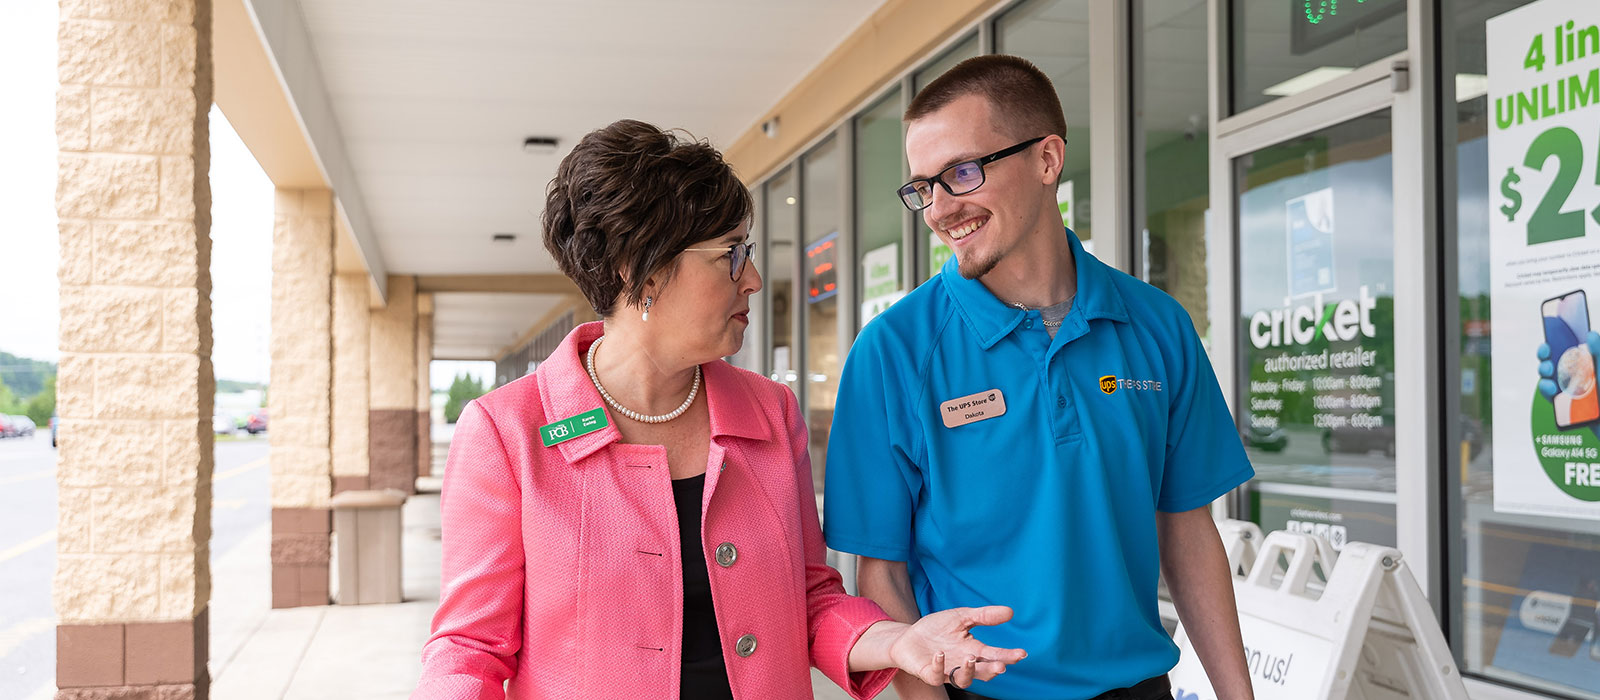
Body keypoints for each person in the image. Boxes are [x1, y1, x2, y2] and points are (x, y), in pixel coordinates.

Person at [413, 119, 1025, 700]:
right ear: (641, 270)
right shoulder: (507, 432)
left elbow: (809, 599)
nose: (753, 277)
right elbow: (470, 646)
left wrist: (900, 641)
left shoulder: (770, 411)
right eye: (730, 253)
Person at [822, 55, 1257, 700]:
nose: (939, 209)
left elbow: (1188, 530)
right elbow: (880, 574)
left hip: (1138, 687)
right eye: (922, 187)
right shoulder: (892, 353)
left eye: (961, 173)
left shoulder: (1157, 326)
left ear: (1047, 160)